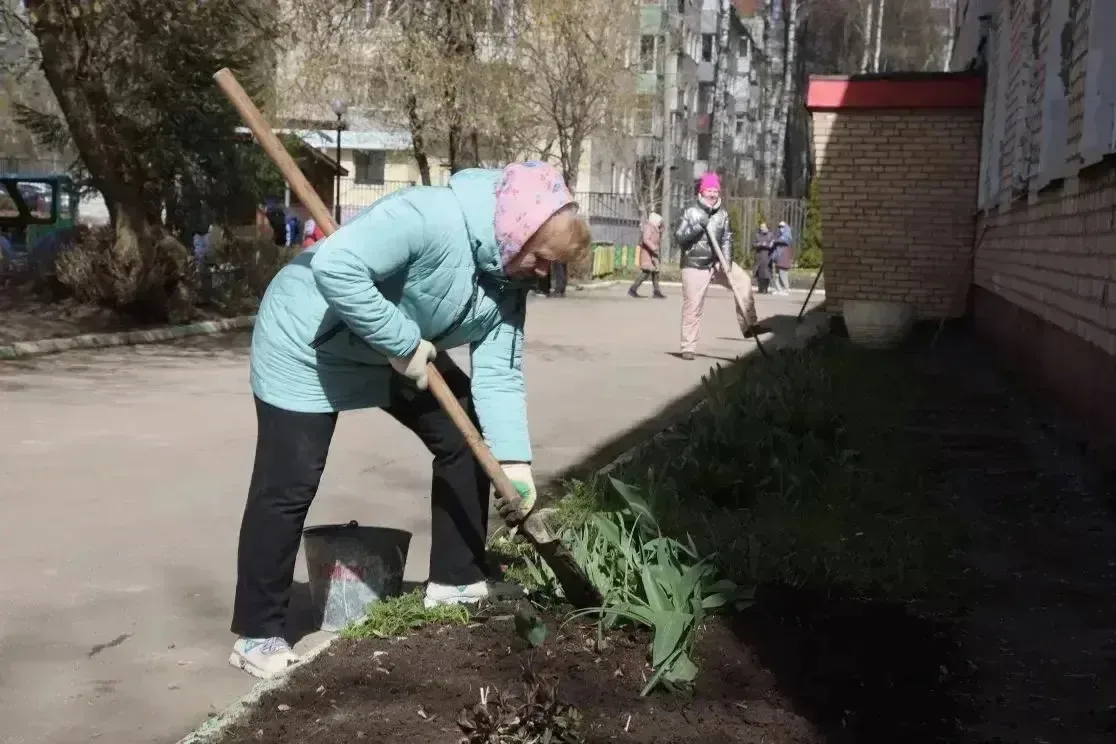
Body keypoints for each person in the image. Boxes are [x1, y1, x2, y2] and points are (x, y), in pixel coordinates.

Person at [229, 161, 590, 679]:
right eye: (542, 259)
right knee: (289, 481)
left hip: (392, 347)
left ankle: (457, 581)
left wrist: (515, 463)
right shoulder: (428, 217)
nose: (543, 273)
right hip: (308, 341)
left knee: (464, 432)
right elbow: (335, 267)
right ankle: (258, 633)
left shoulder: (509, 279)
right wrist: (401, 343)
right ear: (517, 230)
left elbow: (500, 374)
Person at [675, 172, 768, 361]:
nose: (712, 194)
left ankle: (749, 324)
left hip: (717, 262)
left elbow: (726, 239)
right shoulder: (691, 211)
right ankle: (688, 347)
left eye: (715, 191)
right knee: (693, 306)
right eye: (709, 190)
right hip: (695, 264)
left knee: (742, 281)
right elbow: (679, 237)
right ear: (702, 191)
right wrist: (698, 227)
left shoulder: (722, 214)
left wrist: (725, 261)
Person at [628, 212, 666, 299]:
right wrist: (653, 248)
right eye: (659, 221)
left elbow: (662, 229)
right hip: (648, 252)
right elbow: (646, 239)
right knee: (646, 272)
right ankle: (633, 289)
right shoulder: (648, 227)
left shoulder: (656, 228)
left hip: (654, 253)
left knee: (656, 272)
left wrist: (661, 224)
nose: (660, 223)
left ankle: (657, 291)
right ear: (654, 221)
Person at [772, 220, 794, 295]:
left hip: (784, 258)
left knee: (783, 274)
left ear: (786, 227)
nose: (780, 228)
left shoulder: (788, 235)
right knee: (777, 275)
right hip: (778, 258)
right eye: (779, 227)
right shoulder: (779, 236)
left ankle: (786, 289)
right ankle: (779, 289)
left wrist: (775, 241)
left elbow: (784, 241)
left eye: (782, 227)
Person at [752, 221, 773, 294]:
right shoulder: (757, 235)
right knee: (759, 274)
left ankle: (765, 289)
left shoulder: (770, 235)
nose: (763, 228)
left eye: (764, 227)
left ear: (766, 227)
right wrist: (760, 244)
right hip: (759, 256)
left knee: (767, 273)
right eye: (762, 227)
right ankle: (760, 288)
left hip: (767, 256)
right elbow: (753, 244)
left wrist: (767, 245)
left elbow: (772, 244)